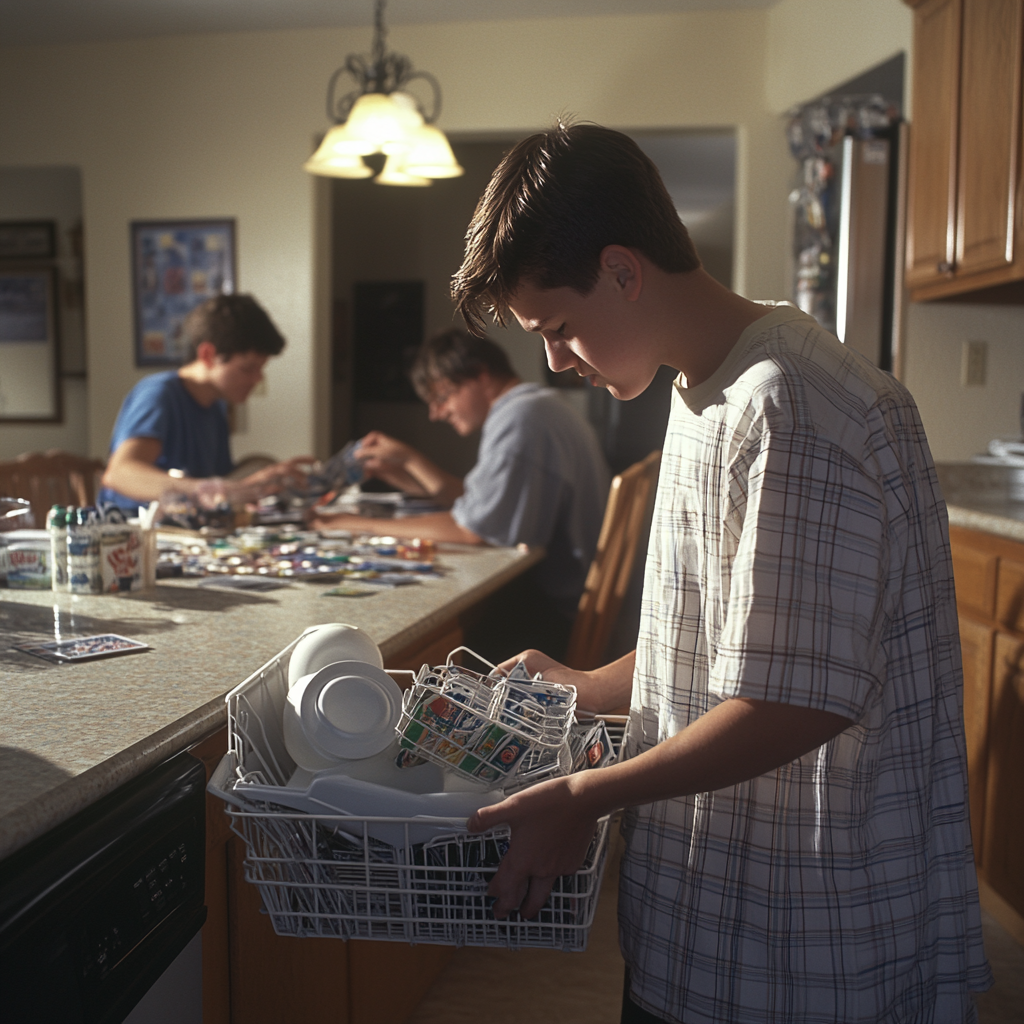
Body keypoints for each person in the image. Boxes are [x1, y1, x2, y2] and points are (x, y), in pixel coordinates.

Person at [450, 122, 992, 1023]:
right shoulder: (702, 386)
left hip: (803, 946)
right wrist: (588, 685)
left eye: (559, 327)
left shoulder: (797, 406)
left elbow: (798, 699)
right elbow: (731, 649)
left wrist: (583, 794)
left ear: (623, 271)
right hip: (711, 921)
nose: (553, 361)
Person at [313, 327, 610, 659]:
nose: (436, 413)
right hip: (568, 598)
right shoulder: (538, 404)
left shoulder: (521, 420)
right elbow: (480, 502)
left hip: (551, 618)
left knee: (427, 645)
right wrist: (407, 466)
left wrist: (348, 522)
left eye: (443, 397)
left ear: (480, 376)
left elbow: (472, 530)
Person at [99, 294, 309, 512]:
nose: (258, 379)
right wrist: (216, 490)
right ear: (208, 355)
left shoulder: (216, 407)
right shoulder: (158, 395)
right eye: (247, 369)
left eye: (261, 369)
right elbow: (120, 474)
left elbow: (217, 487)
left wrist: (257, 486)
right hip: (135, 535)